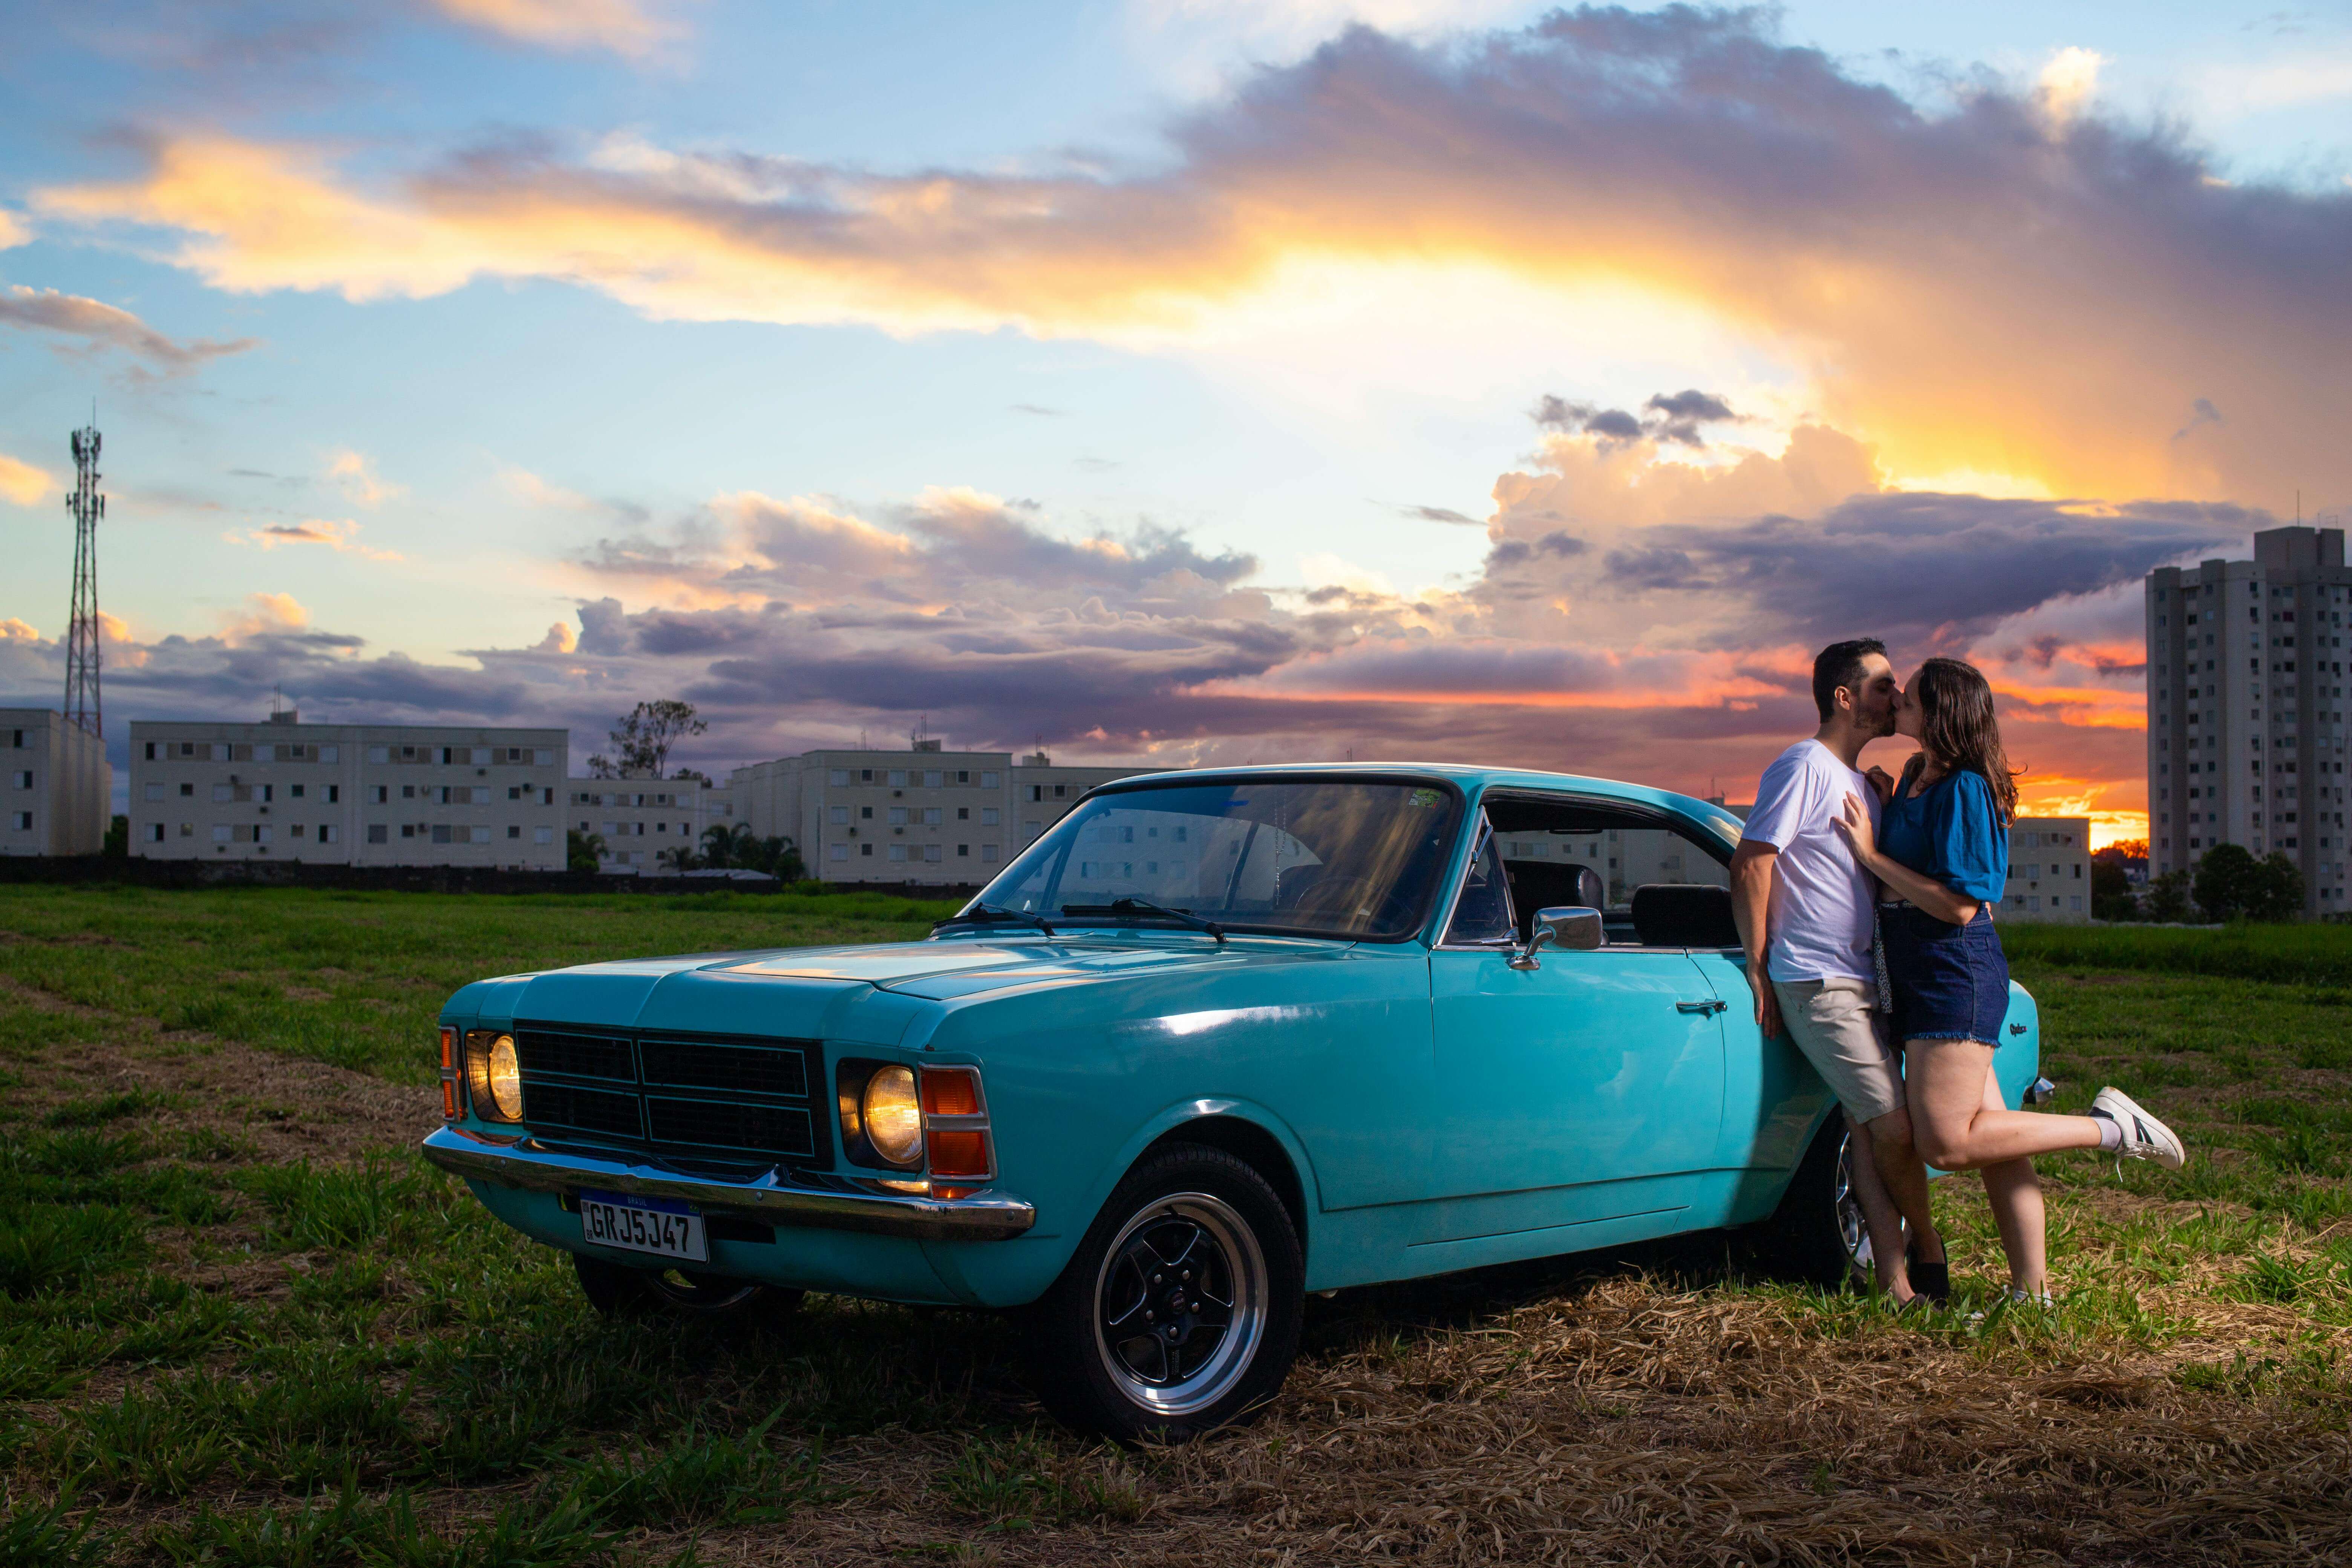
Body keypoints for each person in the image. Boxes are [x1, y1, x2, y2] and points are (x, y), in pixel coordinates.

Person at [1835, 656, 2185, 1306]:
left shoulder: (1966, 786)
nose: (1898, 703)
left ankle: (2111, 1129)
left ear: (1940, 713)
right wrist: (1885, 813)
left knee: (1948, 1140)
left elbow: (1961, 904)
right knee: (1998, 1145)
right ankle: (2034, 1291)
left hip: (1952, 967)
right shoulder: (1915, 773)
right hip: (1917, 969)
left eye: (1909, 698)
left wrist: (1870, 853)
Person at [1732, 639, 1947, 1306]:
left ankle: (1895, 1282)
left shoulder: (1862, 783)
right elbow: (1753, 861)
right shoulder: (1803, 765)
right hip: (1816, 981)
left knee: (1864, 1127)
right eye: (1884, 686)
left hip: (1862, 980)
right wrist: (1760, 965)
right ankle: (1930, 1252)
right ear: (1844, 697)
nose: (1897, 697)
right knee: (1894, 1126)